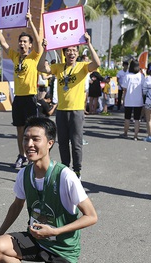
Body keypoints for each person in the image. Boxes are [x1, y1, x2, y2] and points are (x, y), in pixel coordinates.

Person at [0, 117, 97, 263]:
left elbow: (91, 216)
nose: (29, 144)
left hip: (62, 249)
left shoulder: (65, 176)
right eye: (26, 139)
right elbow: (17, 205)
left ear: (50, 143)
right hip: (36, 240)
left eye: (35, 139)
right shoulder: (24, 174)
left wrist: (55, 231)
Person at [37, 32, 101, 178]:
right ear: (64, 53)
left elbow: (96, 64)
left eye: (74, 50)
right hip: (61, 110)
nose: (71, 53)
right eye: (68, 51)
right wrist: (45, 49)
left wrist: (89, 44)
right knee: (63, 143)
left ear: (77, 53)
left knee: (76, 143)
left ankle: (77, 170)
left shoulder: (82, 67)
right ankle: (65, 168)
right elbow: (41, 67)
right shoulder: (58, 67)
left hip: (77, 111)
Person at [0, 12, 42, 168]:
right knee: (20, 130)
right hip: (18, 98)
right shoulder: (15, 56)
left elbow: (39, 42)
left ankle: (32, 158)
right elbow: (3, 43)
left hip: (30, 97)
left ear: (29, 45)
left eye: (25, 42)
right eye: (20, 41)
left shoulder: (34, 56)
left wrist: (30, 23)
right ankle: (21, 156)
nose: (22, 44)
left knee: (32, 131)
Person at [121, 60, 144, 140]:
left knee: (127, 118)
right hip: (138, 100)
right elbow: (143, 88)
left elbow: (124, 88)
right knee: (137, 119)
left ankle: (125, 133)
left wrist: (123, 99)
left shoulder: (127, 76)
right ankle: (135, 136)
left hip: (129, 99)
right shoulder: (141, 76)